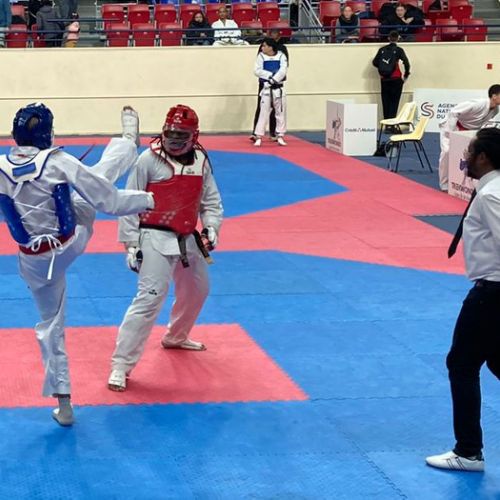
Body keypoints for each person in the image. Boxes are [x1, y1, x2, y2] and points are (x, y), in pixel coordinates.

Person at [0, 103, 154, 425]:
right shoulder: (59, 162)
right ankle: (127, 142)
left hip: (33, 262)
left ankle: (65, 405)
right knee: (96, 184)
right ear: (48, 133)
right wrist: (149, 200)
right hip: (70, 243)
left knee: (51, 327)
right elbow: (111, 202)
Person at [108, 104, 223, 392]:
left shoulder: (201, 161)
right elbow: (128, 202)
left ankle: (176, 336)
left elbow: (210, 201)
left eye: (181, 135)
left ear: (194, 136)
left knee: (198, 289)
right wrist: (130, 245)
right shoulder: (148, 160)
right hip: (153, 236)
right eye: (170, 134)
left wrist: (211, 227)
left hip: (187, 237)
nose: (174, 140)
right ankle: (121, 365)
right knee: (149, 300)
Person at [426, 128, 500, 472]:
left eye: (470, 151)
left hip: (492, 293)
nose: (465, 157)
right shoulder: (489, 190)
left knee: (462, 364)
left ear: (483, 157)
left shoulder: (491, 195)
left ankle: (469, 451)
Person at [438, 85, 500, 192]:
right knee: (447, 152)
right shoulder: (478, 104)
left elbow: (481, 124)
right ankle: (444, 184)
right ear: (494, 96)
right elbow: (454, 112)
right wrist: (451, 132)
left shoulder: (495, 110)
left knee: (468, 154)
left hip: (468, 131)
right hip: (453, 126)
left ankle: (461, 181)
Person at [250, 31, 289, 143]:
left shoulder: (281, 54)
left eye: (264, 46)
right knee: (263, 111)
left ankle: (278, 133)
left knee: (279, 111)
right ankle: (258, 134)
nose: (262, 47)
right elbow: (257, 70)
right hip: (265, 86)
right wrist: (270, 76)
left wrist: (274, 79)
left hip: (278, 86)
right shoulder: (261, 56)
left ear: (271, 47)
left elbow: (283, 69)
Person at [372, 31, 410, 120]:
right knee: (394, 102)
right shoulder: (399, 50)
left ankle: (386, 122)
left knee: (385, 102)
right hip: (396, 79)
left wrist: (383, 69)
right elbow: (406, 63)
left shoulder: (382, 50)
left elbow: (375, 62)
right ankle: (392, 123)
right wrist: (406, 74)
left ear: (388, 38)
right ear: (398, 38)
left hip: (384, 79)